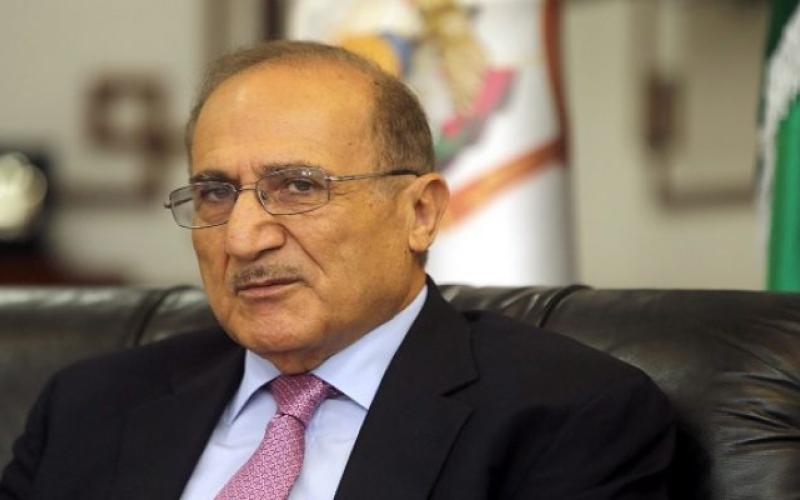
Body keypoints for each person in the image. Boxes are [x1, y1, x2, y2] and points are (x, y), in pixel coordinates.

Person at [0, 40, 674, 499]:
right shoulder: (88, 407)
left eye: (298, 186)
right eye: (215, 193)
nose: (242, 237)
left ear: (420, 213)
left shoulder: (568, 415)